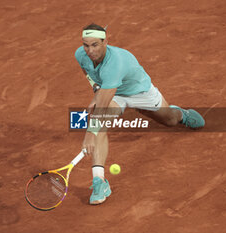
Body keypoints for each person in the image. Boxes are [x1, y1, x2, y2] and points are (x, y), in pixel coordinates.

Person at [74, 23, 205, 205]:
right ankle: (99, 182)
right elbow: (88, 73)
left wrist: (89, 134)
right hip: (115, 94)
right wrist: (97, 89)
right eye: (86, 45)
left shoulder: (116, 62)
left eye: (95, 44)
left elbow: (104, 102)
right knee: (100, 123)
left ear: (105, 42)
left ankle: (181, 114)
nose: (89, 50)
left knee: (169, 121)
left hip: (140, 92)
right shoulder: (80, 55)